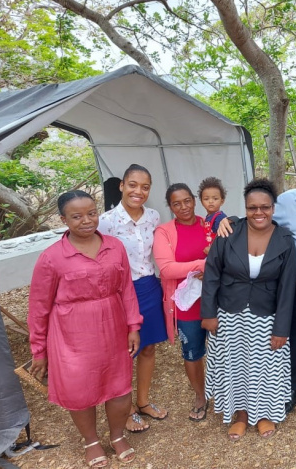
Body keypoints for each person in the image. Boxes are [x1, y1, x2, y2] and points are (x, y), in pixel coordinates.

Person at [218, 146, 296, 417]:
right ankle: (293, 390)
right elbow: (258, 216)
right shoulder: (286, 201)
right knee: (292, 339)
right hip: (295, 286)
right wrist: (228, 220)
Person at [28, 191, 141, 467]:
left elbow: (126, 289)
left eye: (92, 213)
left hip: (113, 325)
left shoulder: (114, 246)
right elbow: (39, 307)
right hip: (71, 334)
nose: (87, 220)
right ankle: (91, 441)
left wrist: (133, 325)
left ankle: (117, 436)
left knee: (119, 387)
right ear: (63, 219)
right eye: (77, 216)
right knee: (80, 389)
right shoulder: (52, 257)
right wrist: (39, 350)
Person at [201, 179, 296, 440]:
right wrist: (208, 313)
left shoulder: (285, 240)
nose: (259, 213)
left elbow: (288, 287)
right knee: (236, 365)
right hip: (230, 313)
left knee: (266, 366)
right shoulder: (229, 232)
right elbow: (211, 274)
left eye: (264, 207)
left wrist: (282, 328)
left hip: (267, 315)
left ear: (273, 208)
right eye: (252, 208)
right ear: (245, 208)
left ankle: (265, 414)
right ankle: (241, 414)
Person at [98, 164, 168, 432]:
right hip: (120, 292)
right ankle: (125, 410)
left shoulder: (153, 216)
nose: (138, 191)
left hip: (149, 286)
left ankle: (143, 402)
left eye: (145, 186)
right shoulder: (106, 221)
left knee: (149, 347)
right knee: (125, 351)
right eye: (133, 185)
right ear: (122, 186)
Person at [153, 184, 209, 422]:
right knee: (192, 352)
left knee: (226, 350)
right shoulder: (164, 232)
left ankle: (231, 395)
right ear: (170, 206)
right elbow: (166, 269)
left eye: (187, 201)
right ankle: (200, 396)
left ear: (194, 200)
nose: (183, 207)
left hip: (216, 301)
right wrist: (203, 265)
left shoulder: (210, 224)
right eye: (177, 203)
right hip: (186, 305)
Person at [197, 176, 228, 255]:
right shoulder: (208, 217)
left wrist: (213, 250)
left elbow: (223, 238)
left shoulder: (220, 218)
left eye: (215, 198)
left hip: (217, 253)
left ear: (222, 201)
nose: (211, 201)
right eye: (206, 199)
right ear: (201, 202)